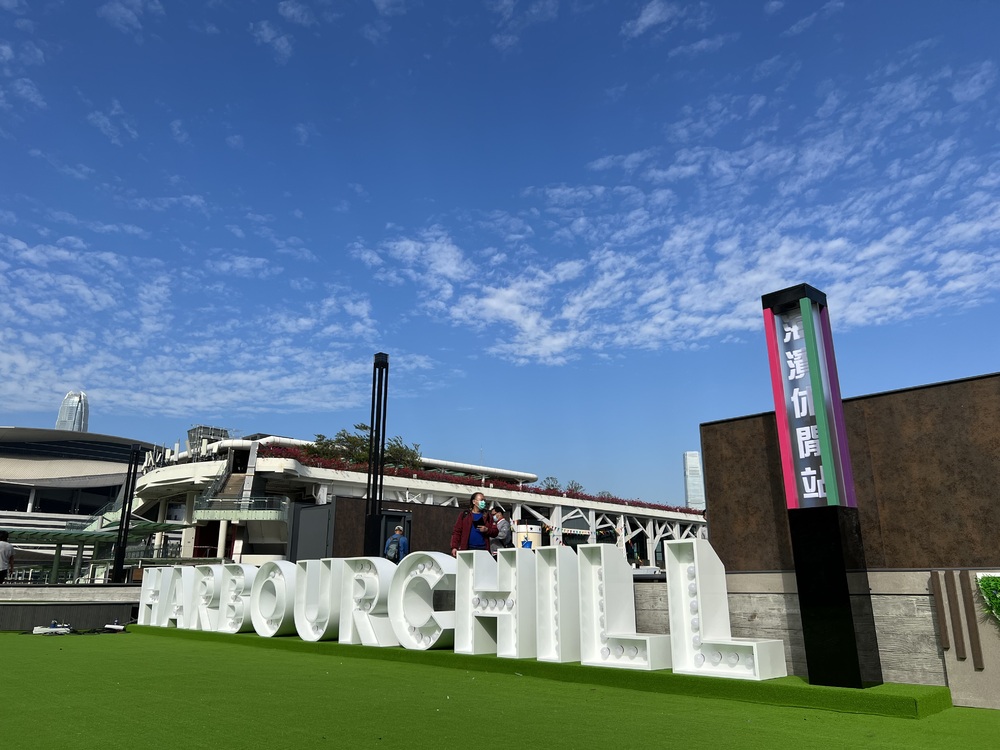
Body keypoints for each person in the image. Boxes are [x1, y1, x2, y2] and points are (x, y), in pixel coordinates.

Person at [450, 492, 497, 556]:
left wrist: (487, 530)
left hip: (483, 549)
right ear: (474, 502)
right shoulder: (465, 515)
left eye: (484, 500)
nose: (483, 502)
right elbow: (457, 531)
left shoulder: (487, 516)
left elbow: (495, 532)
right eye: (481, 500)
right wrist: (454, 547)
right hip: (467, 549)